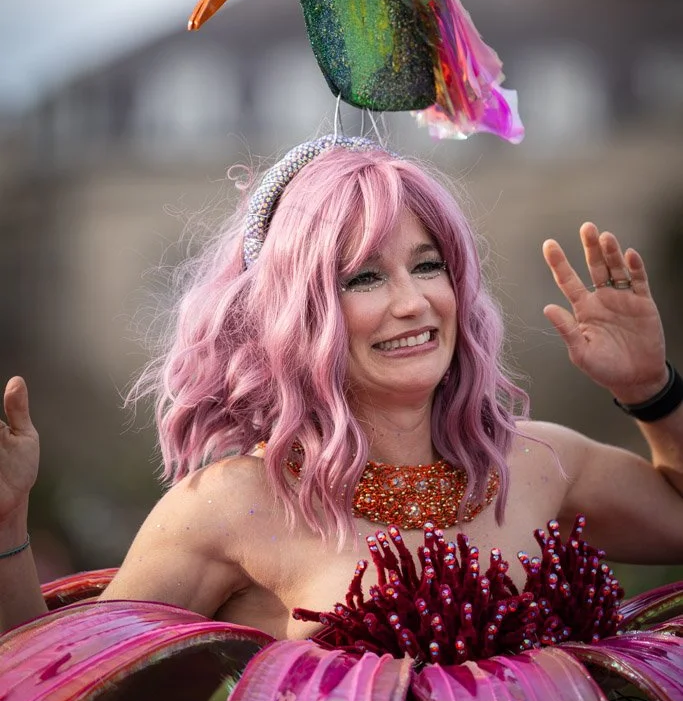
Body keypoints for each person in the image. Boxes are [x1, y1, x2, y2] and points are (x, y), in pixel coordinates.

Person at [1, 136, 682, 639]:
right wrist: (6, 524)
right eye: (364, 277)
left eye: (428, 266)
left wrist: (651, 390)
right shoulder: (230, 507)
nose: (413, 303)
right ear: (298, 314)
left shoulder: (539, 461)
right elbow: (69, 694)